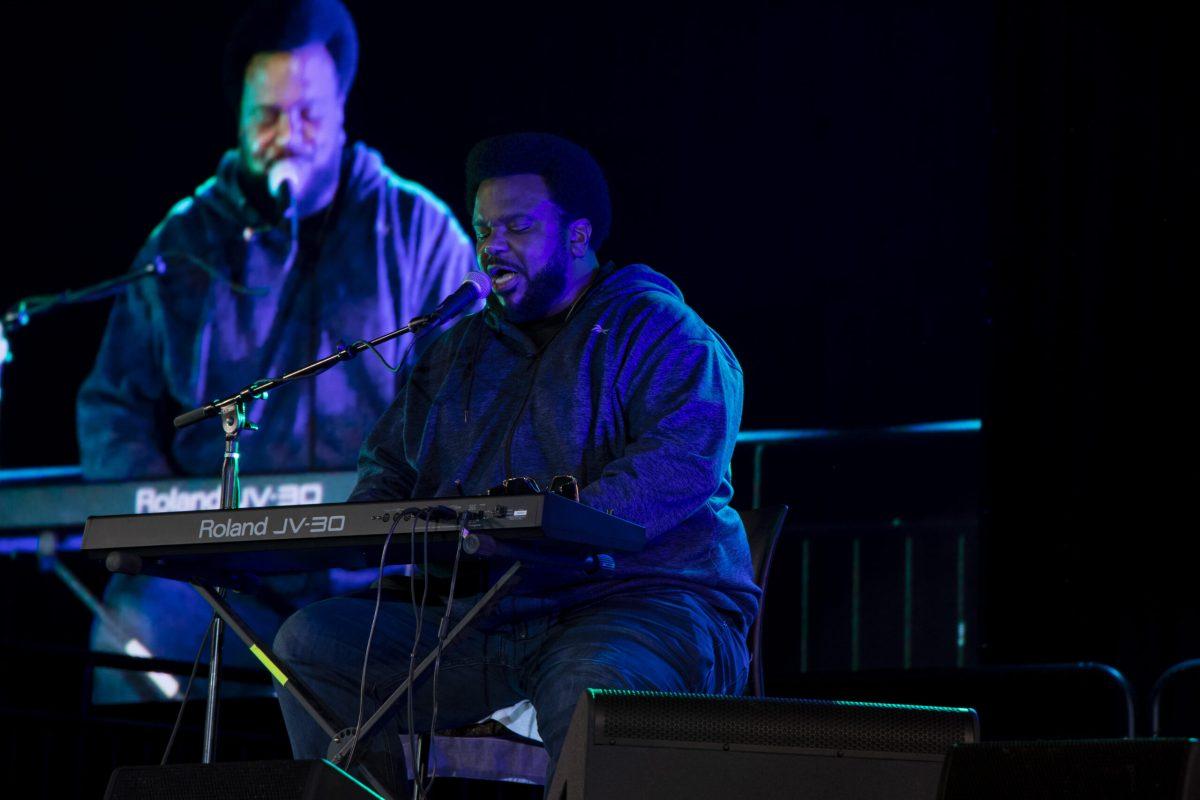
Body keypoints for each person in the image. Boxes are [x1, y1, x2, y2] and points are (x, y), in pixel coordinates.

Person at [272, 132, 758, 792]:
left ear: (579, 237)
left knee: (589, 683)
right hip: (489, 621)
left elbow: (674, 469)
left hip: (642, 609)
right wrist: (367, 523)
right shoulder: (453, 353)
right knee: (311, 645)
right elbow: (388, 463)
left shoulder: (664, 332)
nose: (492, 245)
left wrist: (553, 521)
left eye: (517, 227)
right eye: (483, 228)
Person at [77, 0, 474, 702]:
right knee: (127, 632)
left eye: (309, 114)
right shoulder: (186, 240)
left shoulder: (419, 231)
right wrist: (169, 521)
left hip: (377, 579)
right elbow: (114, 403)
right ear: (237, 115)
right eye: (266, 115)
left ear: (345, 106)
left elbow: (471, 394)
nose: (288, 135)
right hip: (217, 577)